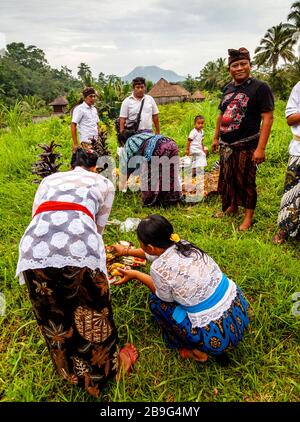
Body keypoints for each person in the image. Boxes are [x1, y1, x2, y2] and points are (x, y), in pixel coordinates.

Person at [16, 148, 138, 398]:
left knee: (53, 312)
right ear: (95, 167)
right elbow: (98, 228)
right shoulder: (103, 182)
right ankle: (106, 371)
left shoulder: (49, 180)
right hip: (80, 246)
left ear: (72, 166)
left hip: (33, 250)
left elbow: (37, 216)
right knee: (94, 310)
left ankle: (69, 371)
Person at [112, 214, 249, 362]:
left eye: (141, 245)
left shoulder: (158, 268)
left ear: (150, 247)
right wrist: (126, 251)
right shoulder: (183, 245)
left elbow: (163, 297)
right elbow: (153, 254)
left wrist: (136, 275)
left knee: (157, 303)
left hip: (215, 336)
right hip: (238, 312)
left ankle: (197, 351)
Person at [212, 47, 274, 231]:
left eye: (243, 64)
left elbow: (268, 118)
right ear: (229, 69)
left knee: (246, 180)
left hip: (247, 144)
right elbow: (221, 115)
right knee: (228, 177)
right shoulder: (228, 88)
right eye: (235, 65)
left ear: (250, 66)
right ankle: (231, 206)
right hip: (226, 144)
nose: (239, 68)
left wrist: (260, 148)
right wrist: (216, 138)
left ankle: (248, 216)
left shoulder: (260, 88)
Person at [118, 130, 182, 207]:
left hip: (158, 149)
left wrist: (121, 186)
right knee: (170, 174)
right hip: (172, 144)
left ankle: (150, 201)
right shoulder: (144, 134)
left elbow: (126, 167)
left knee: (149, 177)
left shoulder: (129, 142)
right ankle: (173, 198)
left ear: (122, 142)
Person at [273, 81, 300, 244]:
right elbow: (290, 118)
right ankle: (285, 229)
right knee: (291, 192)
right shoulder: (299, 87)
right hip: (298, 150)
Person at [71, 87, 100, 151]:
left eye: (94, 96)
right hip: (86, 142)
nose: (93, 98)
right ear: (84, 98)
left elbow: (97, 124)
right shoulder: (80, 109)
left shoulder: (94, 109)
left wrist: (100, 138)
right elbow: (73, 125)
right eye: (90, 96)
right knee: (89, 160)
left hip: (96, 141)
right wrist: (75, 143)